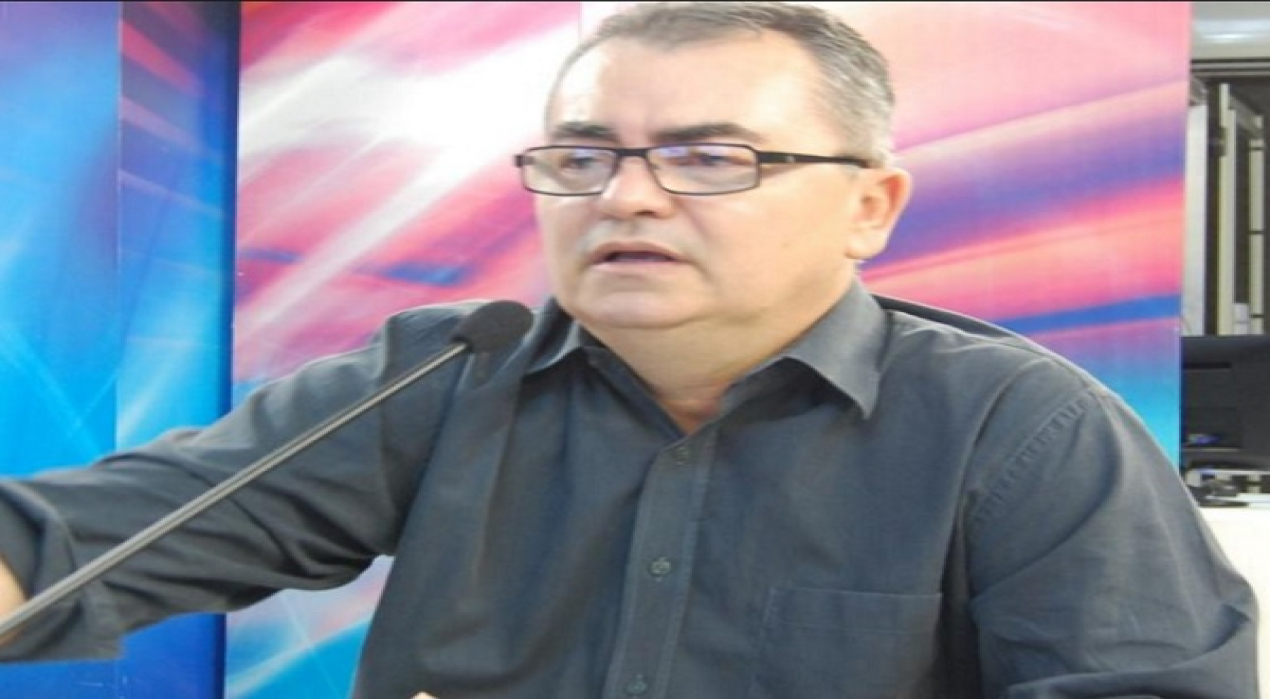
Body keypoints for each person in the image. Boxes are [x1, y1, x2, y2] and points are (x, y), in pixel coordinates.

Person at [0, 2, 1259, 697]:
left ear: (869, 207)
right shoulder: (442, 375)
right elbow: (73, 546)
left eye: (712, 158)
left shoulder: (1018, 428)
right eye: (584, 155)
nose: (627, 197)